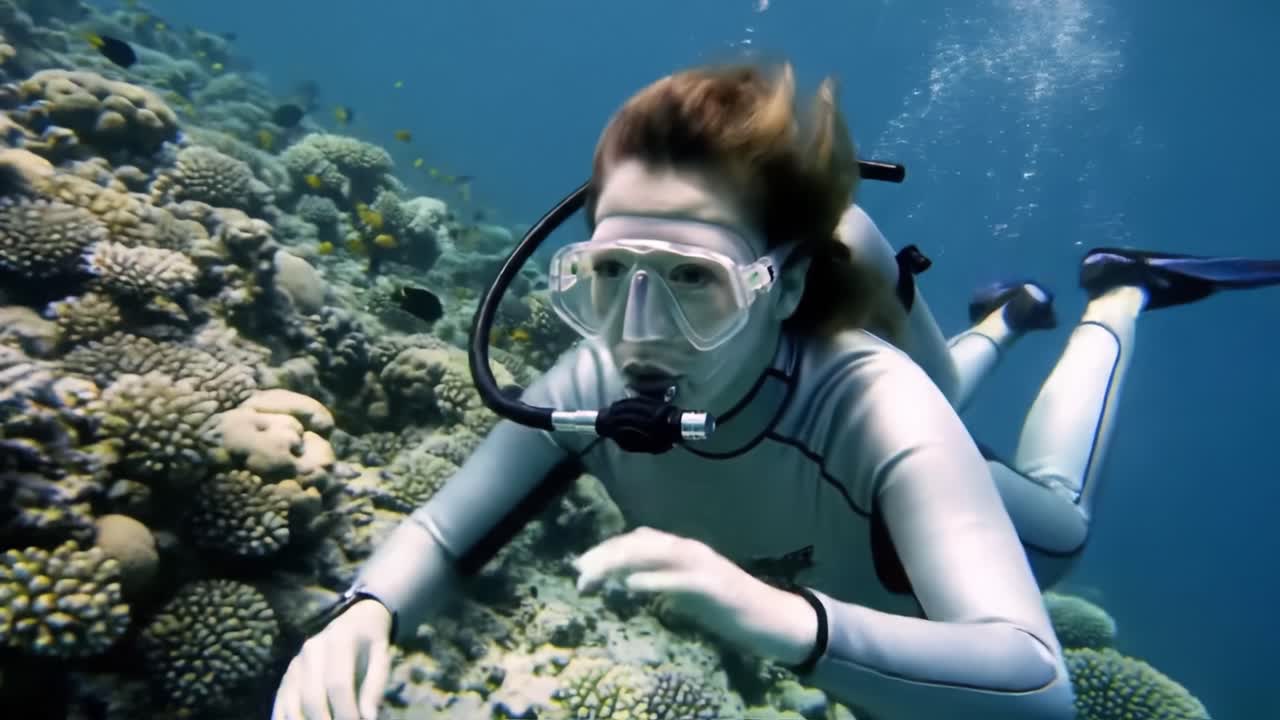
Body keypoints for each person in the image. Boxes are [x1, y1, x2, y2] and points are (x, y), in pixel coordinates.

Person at [272, 61, 1280, 720]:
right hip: (882, 453)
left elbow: (1037, 683)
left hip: (910, 458)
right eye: (609, 276)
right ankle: (1007, 316)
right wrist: (368, 609)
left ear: (783, 286)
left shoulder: (875, 402)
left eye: (692, 282)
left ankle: (1117, 295)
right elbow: (441, 531)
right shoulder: (588, 379)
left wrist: (781, 618)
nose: (638, 333)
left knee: (1059, 520)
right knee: (943, 412)